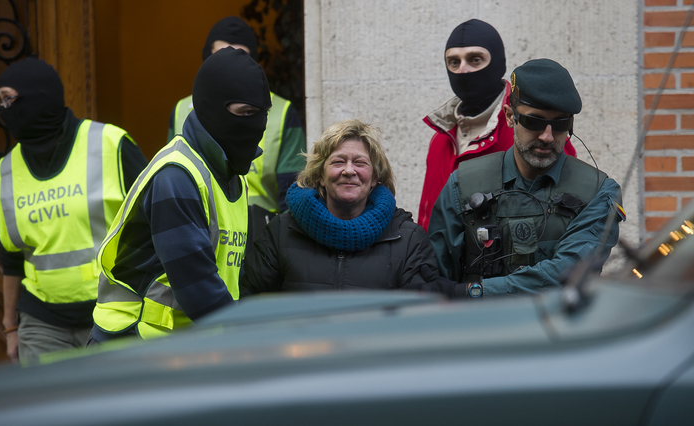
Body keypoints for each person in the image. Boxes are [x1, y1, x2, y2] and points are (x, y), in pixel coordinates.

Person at [90, 47, 271, 342]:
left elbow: (231, 276)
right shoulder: (177, 176)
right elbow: (198, 289)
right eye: (245, 114)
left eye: (263, 114)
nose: (257, 124)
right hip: (133, 345)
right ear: (212, 108)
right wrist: (249, 342)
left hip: (185, 346)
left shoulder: (232, 177)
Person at [0, 57, 148, 363]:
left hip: (112, 315)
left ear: (37, 96)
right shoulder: (5, 172)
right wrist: (10, 327)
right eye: (0, 102)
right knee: (45, 397)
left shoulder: (110, 144)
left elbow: (155, 226)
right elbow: (11, 259)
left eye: (8, 99)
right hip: (43, 323)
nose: (3, 111)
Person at [428, 58, 624, 298]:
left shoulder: (598, 192)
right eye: (534, 121)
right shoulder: (463, 184)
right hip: (477, 321)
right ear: (510, 116)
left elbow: (566, 274)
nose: (547, 136)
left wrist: (474, 292)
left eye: (560, 123)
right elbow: (435, 281)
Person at [241, 119, 440, 294]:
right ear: (320, 175)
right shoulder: (281, 232)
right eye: (338, 162)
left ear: (374, 178)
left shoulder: (408, 239)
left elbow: (422, 310)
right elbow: (251, 302)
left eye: (360, 163)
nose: (349, 171)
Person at [418, 19, 577, 230]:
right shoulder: (441, 138)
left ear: (498, 64)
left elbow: (567, 212)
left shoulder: (531, 127)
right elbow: (428, 220)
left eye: (475, 60)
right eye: (454, 62)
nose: (463, 70)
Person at [168, 16, 306, 216]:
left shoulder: (283, 112)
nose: (230, 63)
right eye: (221, 54)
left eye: (241, 55)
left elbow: (293, 192)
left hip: (263, 226)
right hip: (198, 218)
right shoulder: (181, 109)